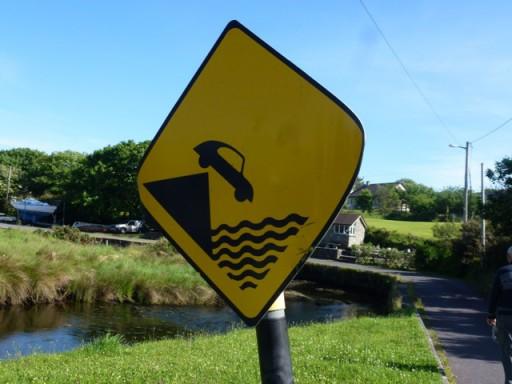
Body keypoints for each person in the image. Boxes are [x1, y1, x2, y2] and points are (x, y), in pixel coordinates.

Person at [488, 246, 512, 384]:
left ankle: (510, 380)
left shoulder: (502, 271)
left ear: (509, 257)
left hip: (505, 316)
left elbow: (494, 295)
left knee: (506, 349)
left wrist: (491, 315)